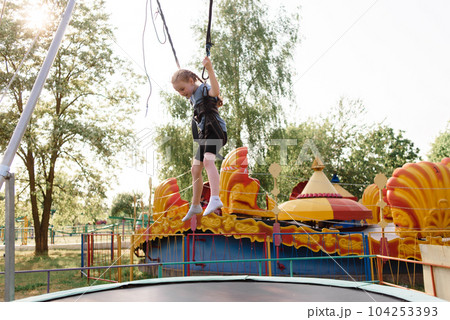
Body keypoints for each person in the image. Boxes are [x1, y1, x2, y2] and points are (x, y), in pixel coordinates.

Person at [172, 57, 227, 222]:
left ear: (191, 81)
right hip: (205, 134)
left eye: (182, 89)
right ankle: (196, 205)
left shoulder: (203, 88)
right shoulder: (192, 96)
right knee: (195, 169)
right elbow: (188, 87)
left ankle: (215, 198)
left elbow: (215, 92)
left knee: (209, 162)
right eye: (178, 91)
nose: (182, 93)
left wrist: (209, 69)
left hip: (215, 131)